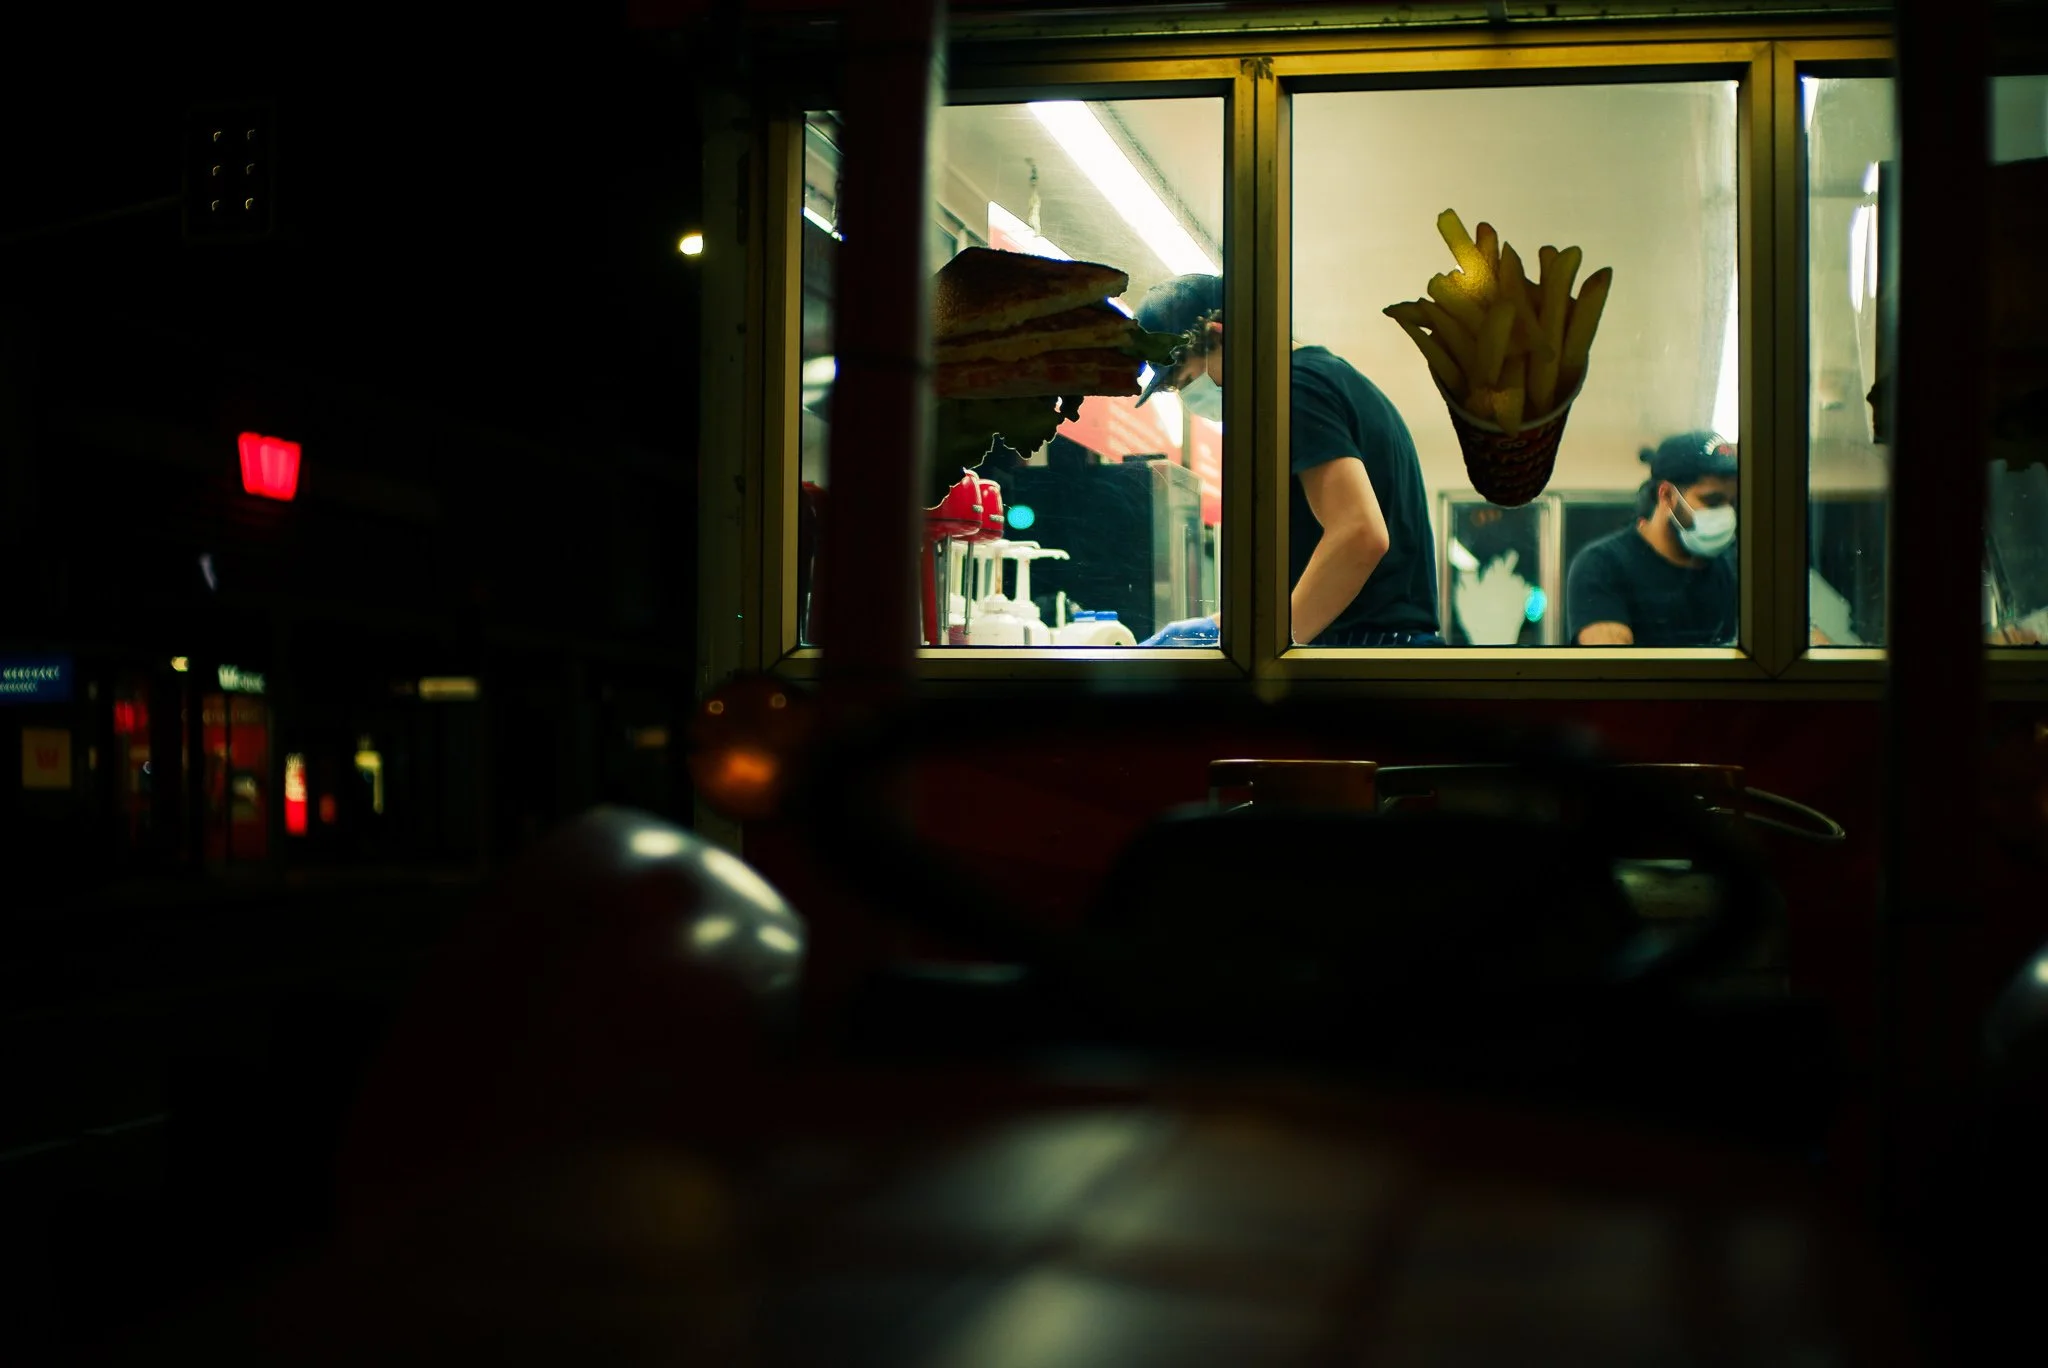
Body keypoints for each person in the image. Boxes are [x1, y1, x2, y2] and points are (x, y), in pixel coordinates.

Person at [1129, 274, 1442, 647]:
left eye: (1186, 380)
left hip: (1364, 654)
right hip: (1379, 647)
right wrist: (1221, 627)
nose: (1187, 398)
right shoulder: (1327, 378)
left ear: (1221, 336)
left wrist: (1264, 645)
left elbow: (1359, 534)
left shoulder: (1295, 388)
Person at [1566, 431, 1738, 646]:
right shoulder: (1603, 566)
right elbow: (1610, 672)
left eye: (1731, 503)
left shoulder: (1729, 570)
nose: (1726, 514)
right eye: (1712, 501)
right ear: (1666, 495)